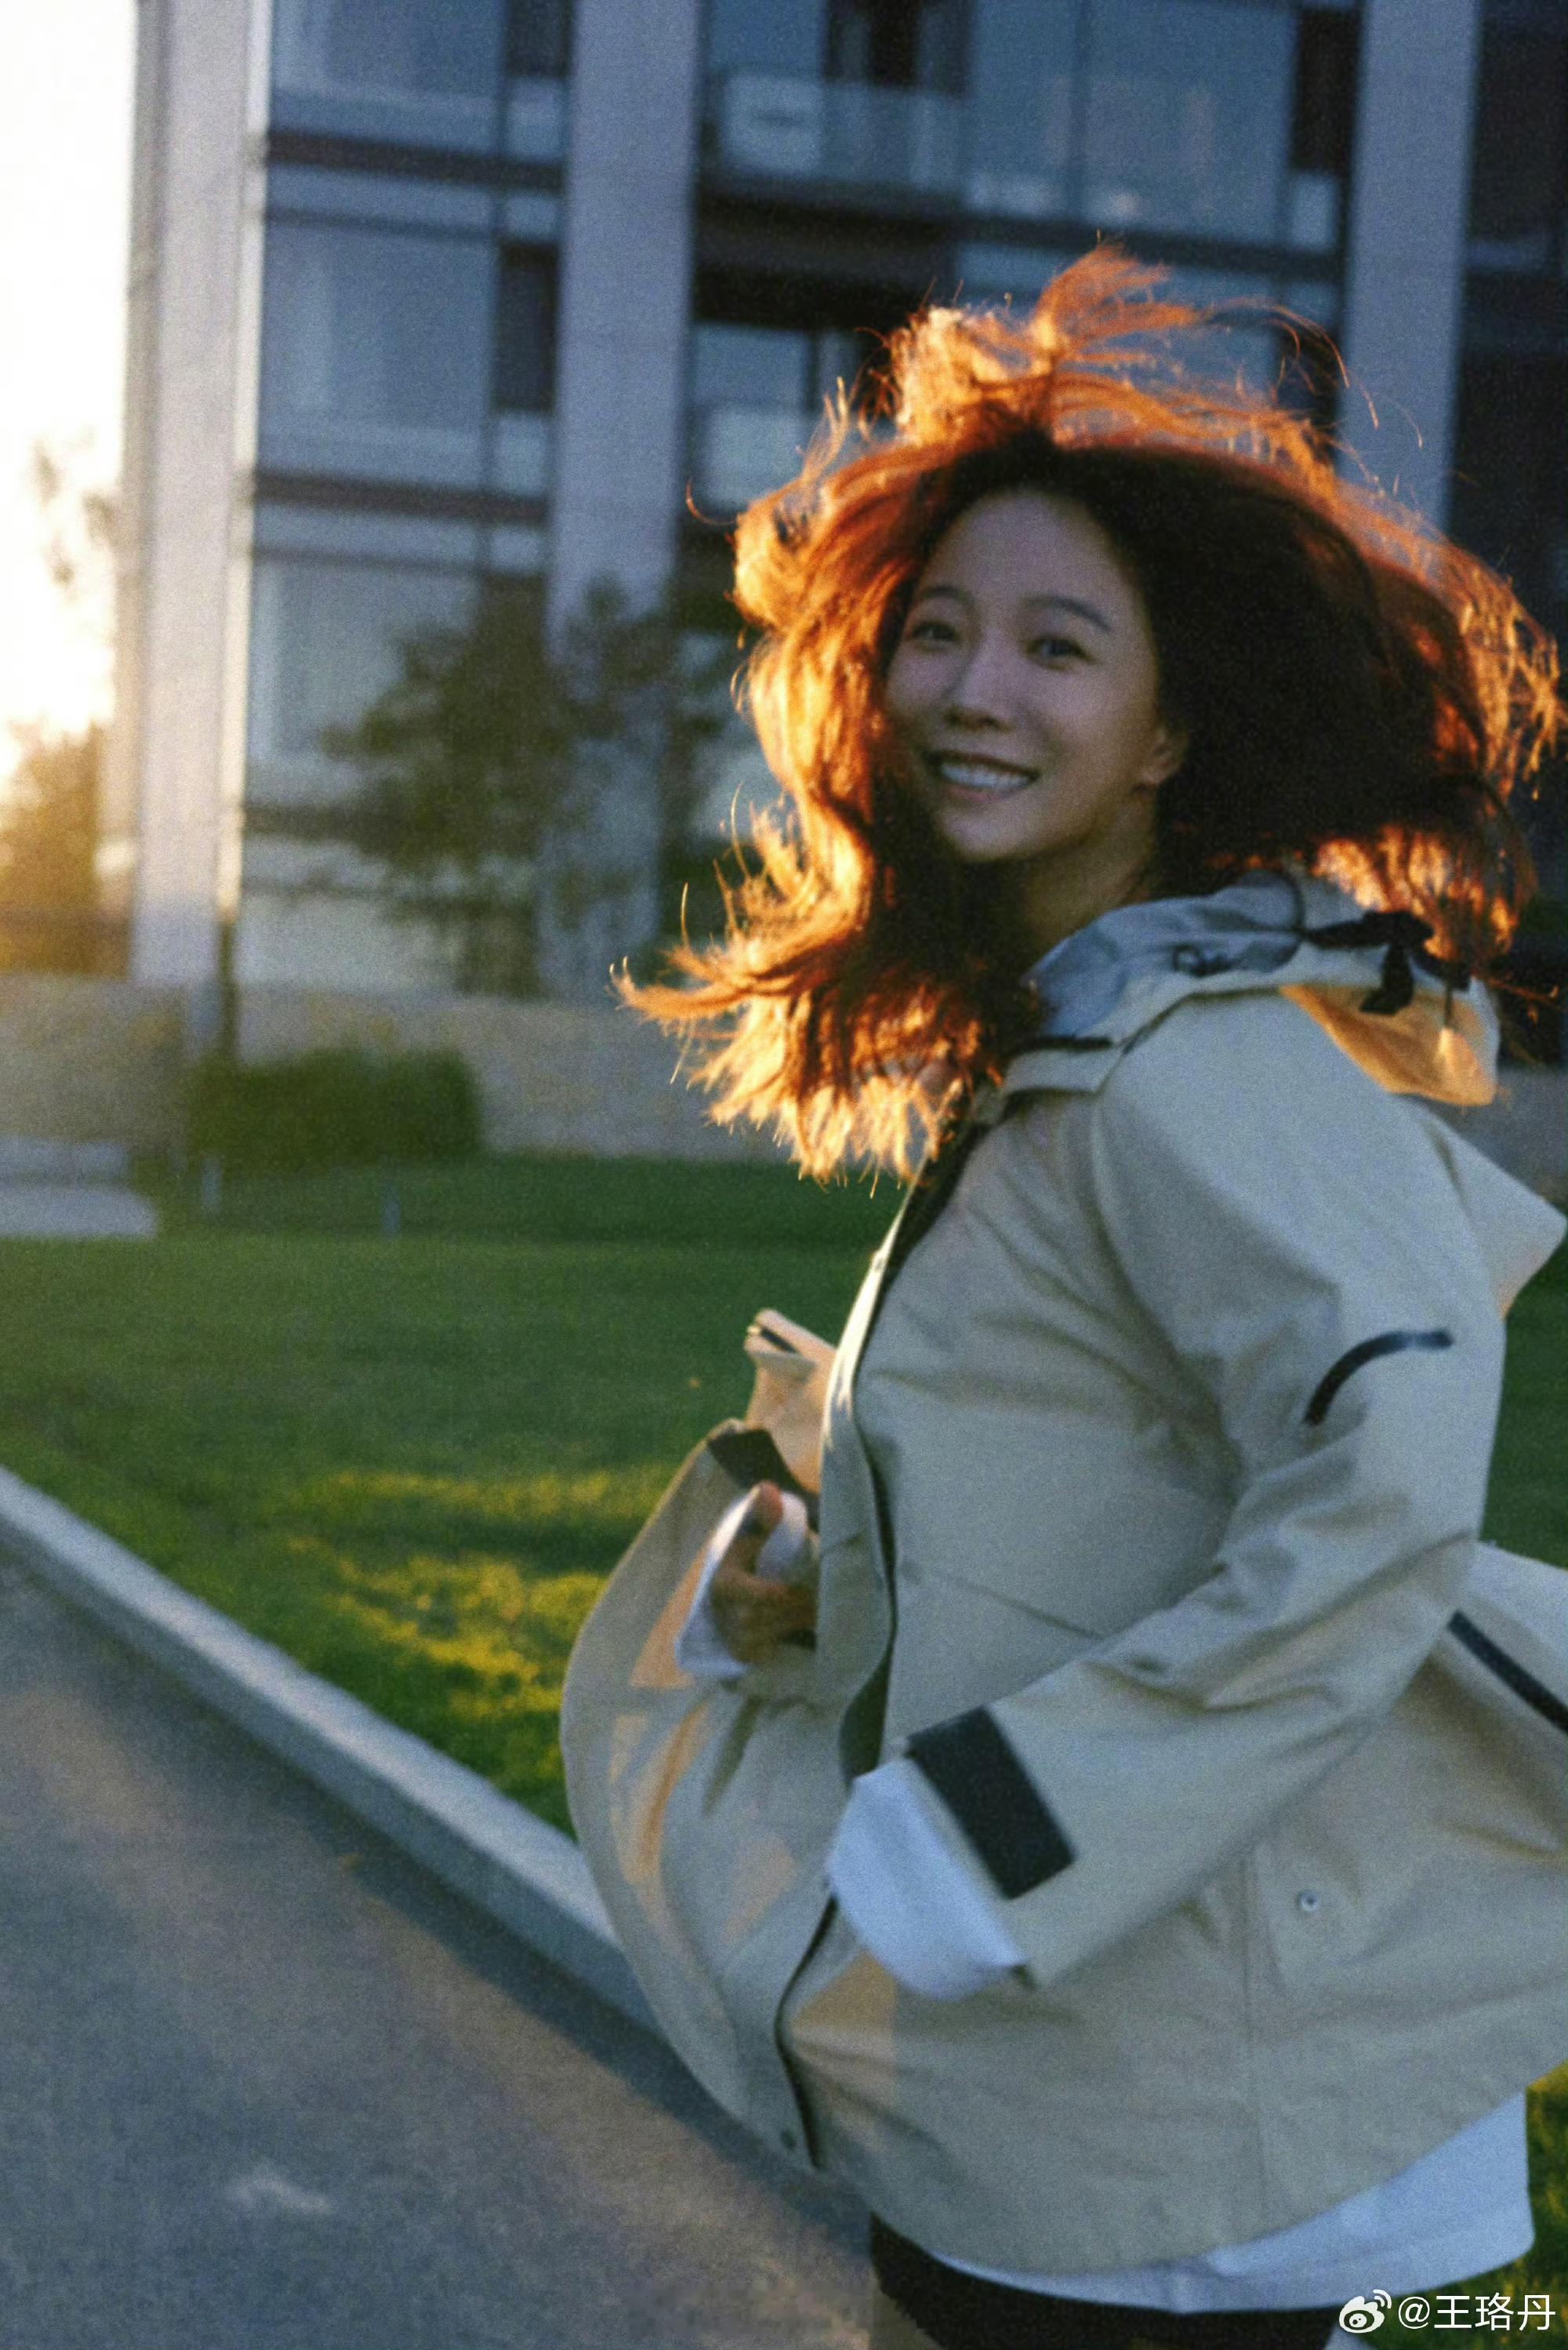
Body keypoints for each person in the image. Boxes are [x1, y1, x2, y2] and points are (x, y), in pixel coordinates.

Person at [579, 252, 1567, 2350]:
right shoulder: (1084, 1044)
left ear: (1164, 734)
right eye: (937, 632)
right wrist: (857, 1551)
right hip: (1110, 2100)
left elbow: (1391, 1469)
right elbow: (1134, 1466)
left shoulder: (1199, 1059)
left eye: (1056, 646)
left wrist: (997, 1832)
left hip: (1227, 2169)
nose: (973, 689)